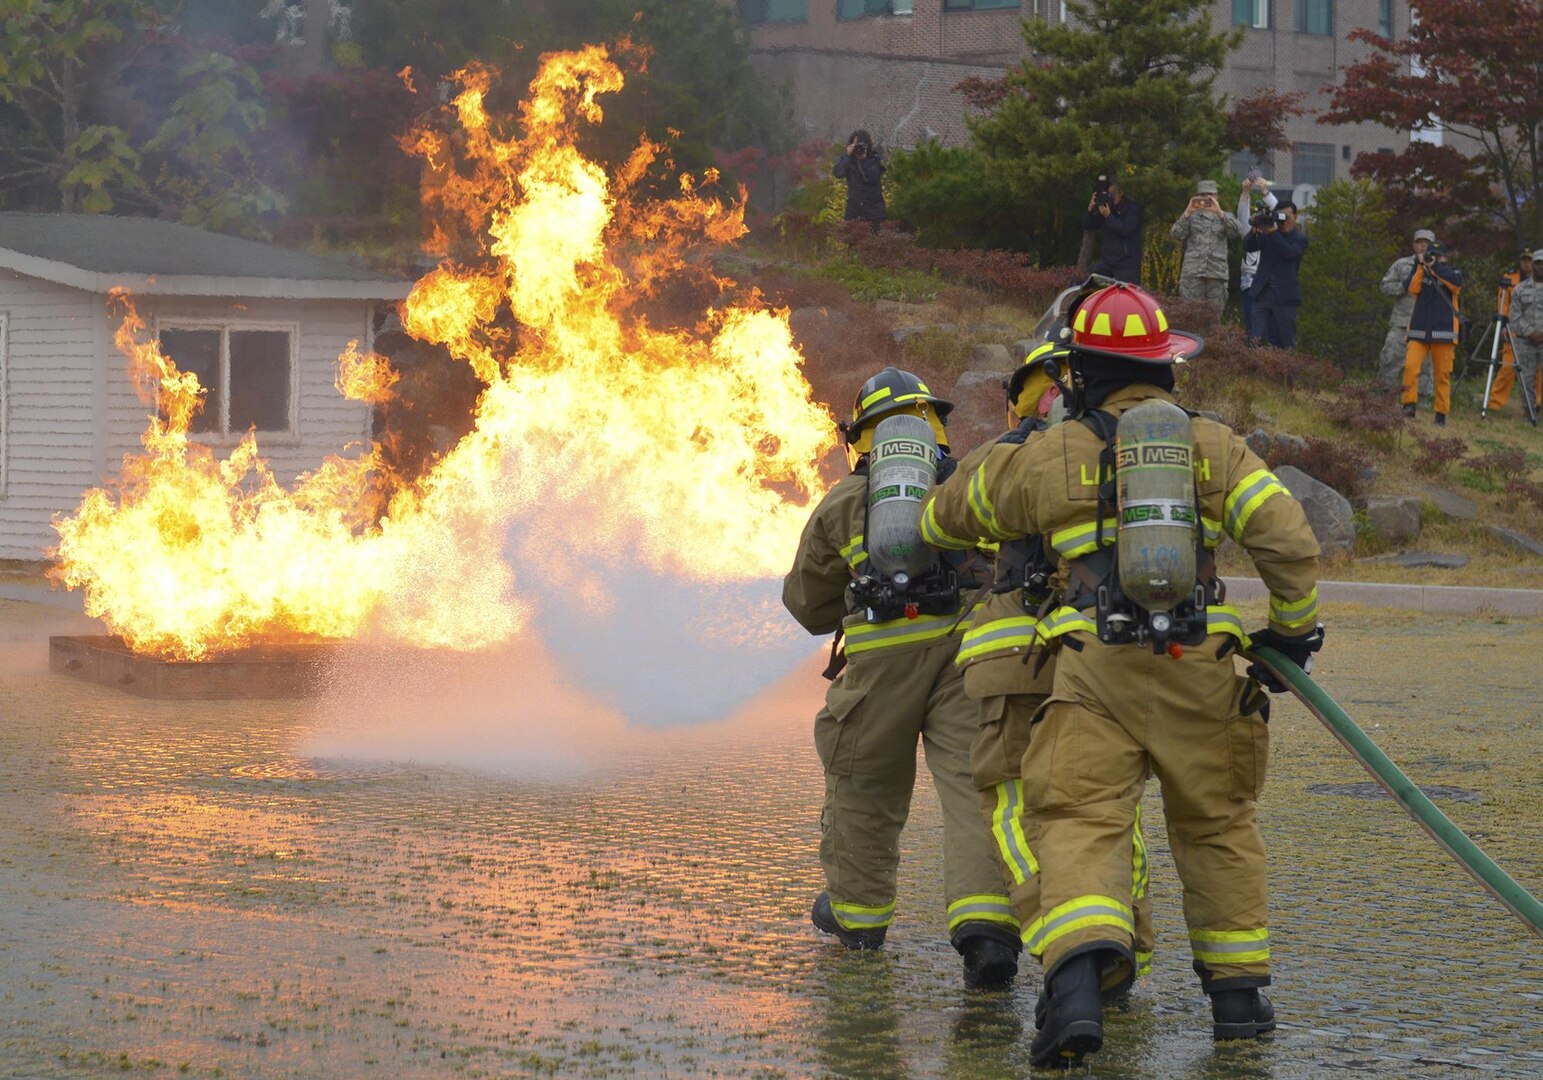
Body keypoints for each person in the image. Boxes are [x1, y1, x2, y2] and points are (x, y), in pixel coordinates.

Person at [921, 282, 1323, 1067]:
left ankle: (1074, 992)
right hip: (1201, 669)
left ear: (1076, 372)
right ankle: (1238, 1005)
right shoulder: (1214, 445)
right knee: (1216, 827)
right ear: (1167, 366)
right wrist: (1293, 631)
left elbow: (951, 514)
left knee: (1078, 821)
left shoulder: (1050, 450)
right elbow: (1288, 539)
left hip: (1092, 671)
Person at [782, 367, 1020, 990]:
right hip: (967, 655)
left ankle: (859, 922)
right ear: (935, 424)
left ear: (860, 438)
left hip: (879, 665)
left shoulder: (842, 502)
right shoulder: (968, 482)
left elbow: (807, 608)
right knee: (977, 791)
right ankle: (987, 935)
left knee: (864, 787)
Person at [936, 332, 1159, 994]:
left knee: (1008, 803)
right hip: (1104, 655)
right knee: (1109, 810)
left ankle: (1065, 949)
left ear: (1020, 398)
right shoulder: (1127, 448)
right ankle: (1124, 952)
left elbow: (941, 523)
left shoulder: (1009, 455)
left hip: (1014, 663)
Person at [1401, 240, 1465, 426]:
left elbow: (1456, 285)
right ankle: (1409, 405)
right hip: (1419, 329)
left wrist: (1434, 265)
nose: (1433, 257)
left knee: (1442, 375)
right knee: (1411, 367)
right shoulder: (1421, 269)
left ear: (1444, 257)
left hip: (1443, 331)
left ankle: (1440, 414)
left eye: (1437, 255)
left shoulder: (1453, 272)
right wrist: (1421, 266)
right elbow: (1412, 288)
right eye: (1431, 254)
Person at [1378, 229, 1438, 395]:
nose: (1423, 245)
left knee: (1425, 365)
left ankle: (1422, 399)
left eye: (1426, 242)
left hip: (1427, 324)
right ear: (1413, 244)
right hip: (1402, 323)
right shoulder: (1401, 264)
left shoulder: (1439, 267)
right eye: (1419, 242)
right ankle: (1383, 395)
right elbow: (1384, 286)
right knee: (1390, 358)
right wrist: (1403, 286)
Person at [1170, 180, 1242, 316]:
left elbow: (1237, 232)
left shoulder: (1225, 217)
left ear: (1216, 197)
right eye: (1202, 195)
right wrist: (1187, 212)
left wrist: (1219, 212)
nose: (1206, 199)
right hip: (1193, 274)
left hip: (1216, 274)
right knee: (1190, 315)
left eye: (1210, 195)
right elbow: (1175, 234)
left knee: (1214, 318)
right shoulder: (1191, 217)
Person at [1244, 200, 1308, 348]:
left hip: (1285, 296)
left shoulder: (1299, 239)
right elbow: (1248, 247)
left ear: (1295, 217)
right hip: (1263, 292)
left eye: (1286, 216)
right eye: (1280, 216)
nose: (1283, 220)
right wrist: (1255, 228)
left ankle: (1289, 371)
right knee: (1255, 339)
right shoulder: (1268, 234)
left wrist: (1273, 233)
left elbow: (1290, 254)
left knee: (1286, 342)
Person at [1485, 251, 1541, 417]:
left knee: (1537, 373)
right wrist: (1504, 325)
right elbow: (1505, 305)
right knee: (1509, 369)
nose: (1527, 263)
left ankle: (1536, 405)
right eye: (1524, 260)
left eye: (1530, 260)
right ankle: (1495, 404)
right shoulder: (1512, 279)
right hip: (1517, 333)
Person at [1505, 248, 1543, 427]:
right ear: (1532, 265)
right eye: (1538, 263)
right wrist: (1531, 333)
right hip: (1525, 341)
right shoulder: (1519, 289)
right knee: (1526, 379)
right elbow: (1514, 317)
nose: (1541, 267)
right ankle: (1530, 416)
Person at [1084, 175, 1143, 283]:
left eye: (1111, 195)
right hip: (1107, 261)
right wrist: (1090, 210)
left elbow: (1125, 230)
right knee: (1089, 281)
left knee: (1125, 295)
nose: (1109, 197)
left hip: (1126, 264)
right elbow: (1089, 225)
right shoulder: (1107, 208)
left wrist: (1109, 216)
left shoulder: (1131, 209)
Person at [1236, 177, 1277, 334]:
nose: (1262, 221)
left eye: (1265, 217)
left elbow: (1280, 211)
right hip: (1251, 280)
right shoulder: (1250, 233)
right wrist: (1245, 192)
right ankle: (1253, 355)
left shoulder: (1276, 234)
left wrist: (1265, 191)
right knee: (1252, 327)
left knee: (1273, 328)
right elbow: (1242, 215)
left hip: (1271, 283)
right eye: (1259, 217)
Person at [832, 129, 885, 229]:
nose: (858, 148)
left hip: (873, 213)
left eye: (860, 144)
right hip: (854, 211)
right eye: (855, 144)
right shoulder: (848, 161)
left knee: (874, 243)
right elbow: (838, 173)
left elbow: (870, 178)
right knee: (852, 241)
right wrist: (847, 156)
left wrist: (863, 160)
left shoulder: (874, 161)